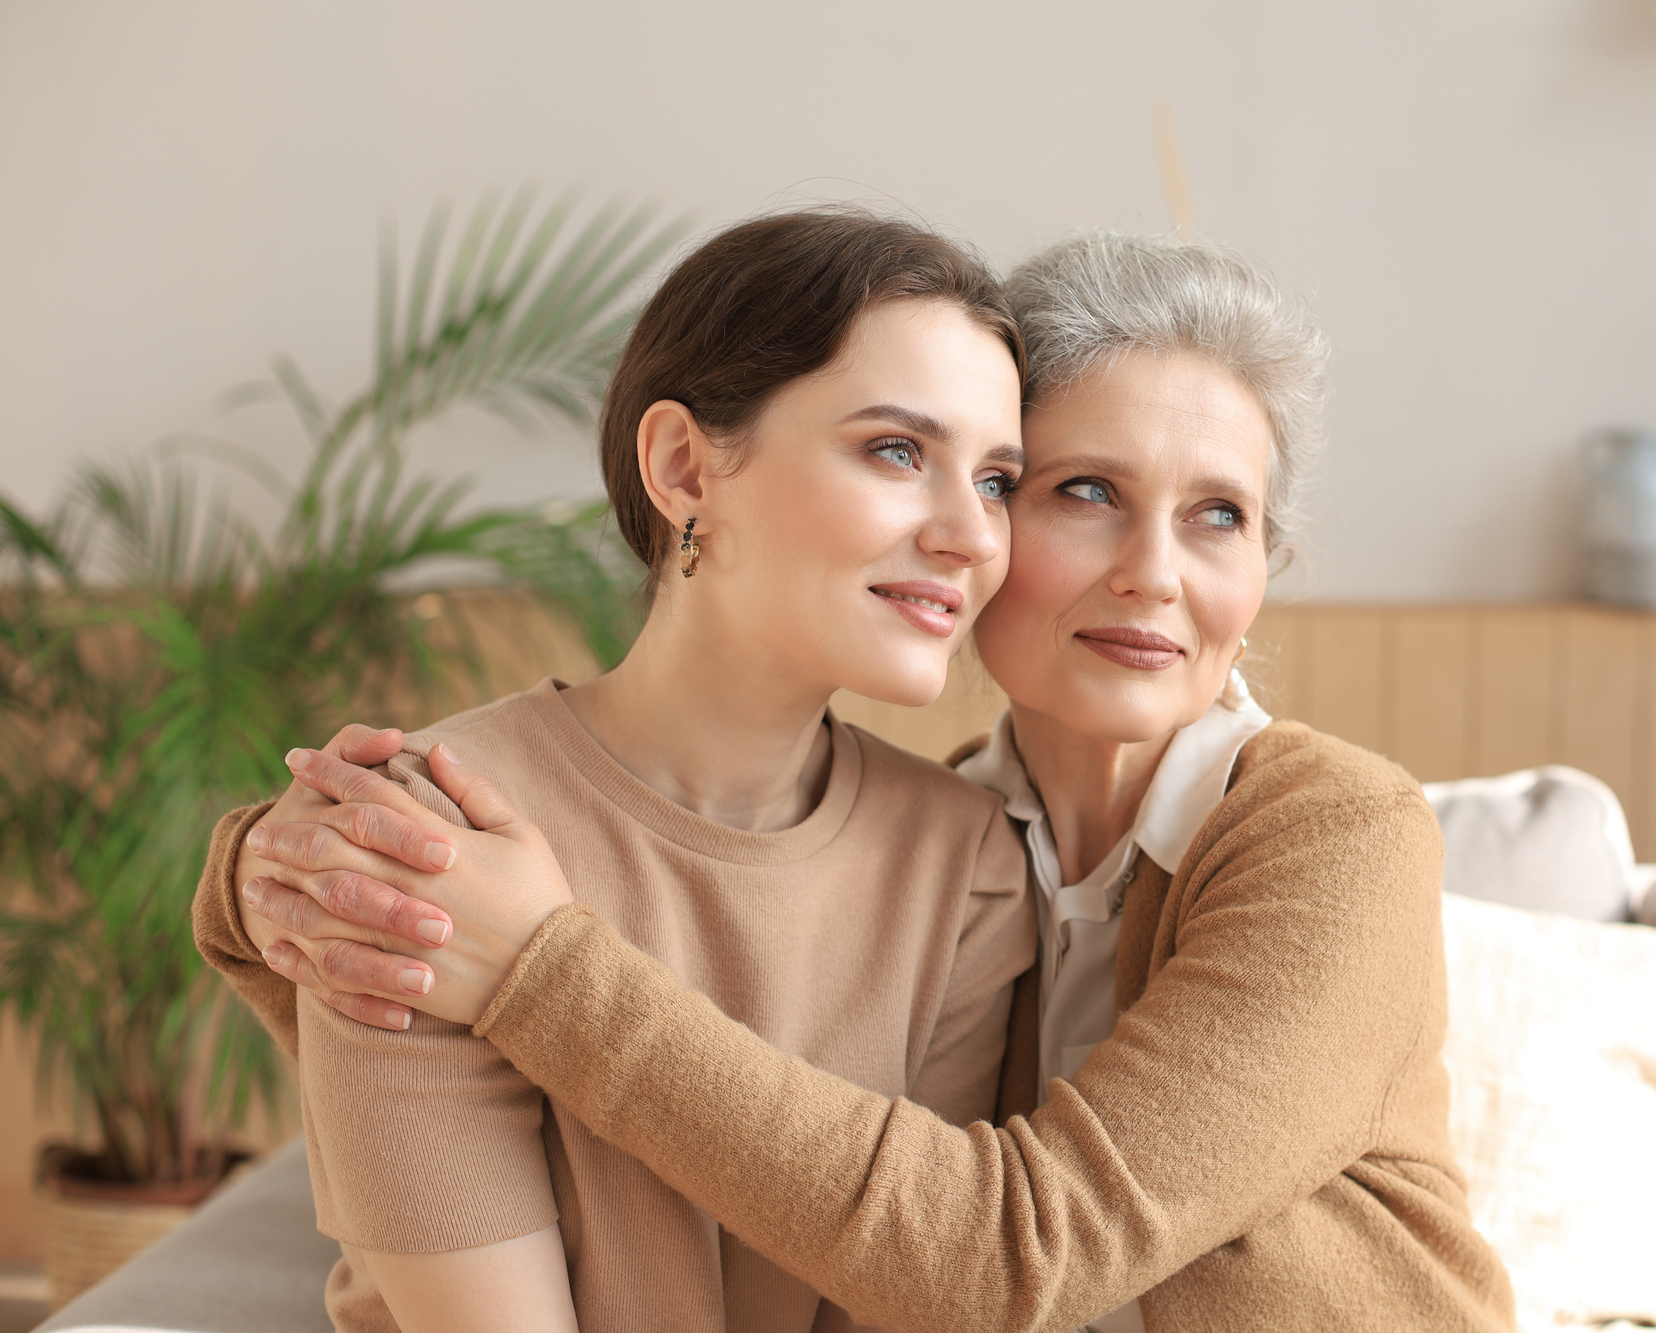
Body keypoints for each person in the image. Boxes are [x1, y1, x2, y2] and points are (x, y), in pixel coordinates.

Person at [203, 234, 1516, 1332]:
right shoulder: (972, 841)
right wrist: (268, 874)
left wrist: (542, 967)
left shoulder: (1322, 833)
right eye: (1077, 490)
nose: (1157, 573)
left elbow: (998, 1253)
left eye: (1219, 515)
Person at [193, 208, 1044, 1333]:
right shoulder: (411, 832)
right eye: (897, 450)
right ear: (685, 466)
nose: (973, 536)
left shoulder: (963, 861)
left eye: (995, 480)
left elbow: (918, 1287)